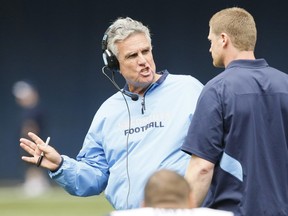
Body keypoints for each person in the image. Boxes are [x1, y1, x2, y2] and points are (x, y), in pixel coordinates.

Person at [19, 17, 204, 209]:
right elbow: (94, 176)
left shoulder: (189, 89)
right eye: (132, 56)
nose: (143, 61)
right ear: (114, 63)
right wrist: (60, 166)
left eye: (146, 51)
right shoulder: (107, 112)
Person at [181, 7, 288, 216]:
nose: (209, 48)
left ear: (223, 39)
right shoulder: (286, 84)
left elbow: (202, 168)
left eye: (210, 41)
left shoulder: (216, 89)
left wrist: (179, 211)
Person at [12, 80, 51, 197]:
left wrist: (28, 138)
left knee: (33, 161)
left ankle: (36, 185)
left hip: (32, 140)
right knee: (32, 162)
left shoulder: (33, 111)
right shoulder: (31, 110)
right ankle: (36, 183)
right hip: (34, 140)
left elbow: (31, 127)